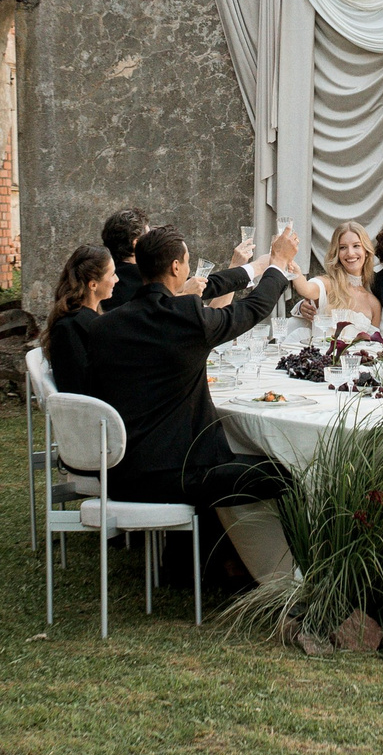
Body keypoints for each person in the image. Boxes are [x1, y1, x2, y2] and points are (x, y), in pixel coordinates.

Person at [68, 225, 303, 584]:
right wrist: (281, 263)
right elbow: (253, 309)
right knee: (285, 473)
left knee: (231, 458)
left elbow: (208, 289)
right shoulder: (185, 319)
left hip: (119, 473)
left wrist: (256, 267)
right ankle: (284, 576)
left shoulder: (106, 325)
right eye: (188, 263)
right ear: (177, 268)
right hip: (177, 476)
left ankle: (208, 559)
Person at [101, 204, 250, 310]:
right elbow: (208, 319)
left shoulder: (107, 277)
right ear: (136, 243)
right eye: (149, 235)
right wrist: (240, 268)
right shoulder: (152, 277)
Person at [39, 243, 115, 391]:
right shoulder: (69, 328)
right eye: (112, 274)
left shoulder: (88, 319)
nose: (117, 279)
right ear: (93, 284)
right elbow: (80, 385)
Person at [292, 220, 383, 330]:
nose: (350, 253)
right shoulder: (327, 284)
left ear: (366, 251)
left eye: (356, 246)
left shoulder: (374, 304)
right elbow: (305, 288)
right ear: (337, 253)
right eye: (343, 247)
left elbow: (374, 344)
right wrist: (292, 267)